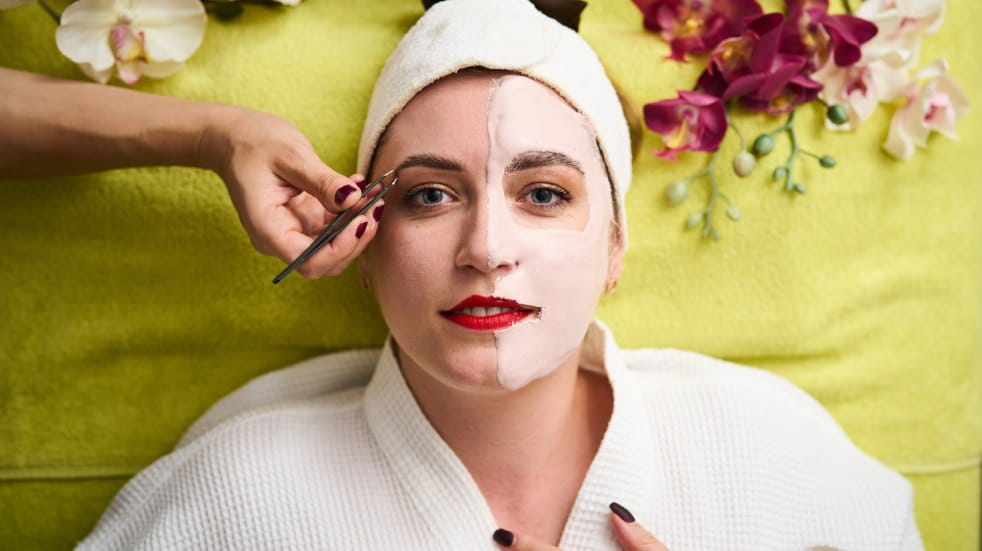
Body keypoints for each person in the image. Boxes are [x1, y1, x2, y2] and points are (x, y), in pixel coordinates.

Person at [64, 1, 924, 550]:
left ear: (616, 247)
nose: (486, 247)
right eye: (431, 195)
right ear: (361, 242)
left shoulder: (780, 456)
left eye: (544, 192)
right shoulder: (235, 499)